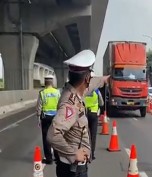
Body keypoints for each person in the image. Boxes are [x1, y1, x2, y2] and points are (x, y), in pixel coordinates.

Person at [47, 49, 110, 177]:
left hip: (73, 168)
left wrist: (104, 79)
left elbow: (91, 84)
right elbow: (52, 134)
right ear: (86, 78)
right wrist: (73, 154)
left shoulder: (75, 91)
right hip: (73, 170)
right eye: (90, 77)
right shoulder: (70, 104)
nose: (90, 80)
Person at [36, 74, 60, 164]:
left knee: (46, 138)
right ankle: (57, 157)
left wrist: (38, 118)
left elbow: (39, 107)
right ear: (52, 82)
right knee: (56, 137)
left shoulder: (42, 92)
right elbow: (60, 104)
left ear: (45, 82)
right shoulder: (57, 92)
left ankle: (49, 159)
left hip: (45, 118)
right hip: (56, 117)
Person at [84, 73, 104, 160]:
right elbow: (101, 103)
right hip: (93, 114)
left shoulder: (84, 90)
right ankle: (91, 155)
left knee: (83, 135)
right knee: (93, 135)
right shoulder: (96, 90)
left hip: (83, 114)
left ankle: (84, 153)